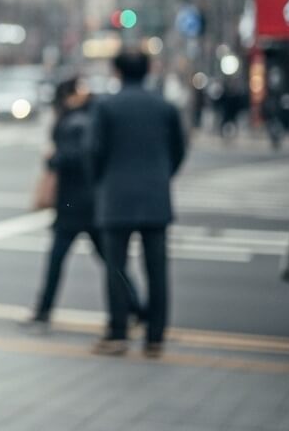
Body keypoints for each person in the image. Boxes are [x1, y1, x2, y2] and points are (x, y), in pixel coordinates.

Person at [90, 49, 187, 357]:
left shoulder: (106, 106)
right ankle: (155, 337)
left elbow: (93, 151)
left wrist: (102, 182)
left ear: (117, 71)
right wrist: (162, 176)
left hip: (116, 197)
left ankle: (118, 332)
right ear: (148, 70)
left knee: (116, 268)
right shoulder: (164, 106)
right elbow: (179, 149)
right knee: (157, 270)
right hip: (156, 198)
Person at [23, 78, 140, 330]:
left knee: (58, 260)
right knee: (111, 262)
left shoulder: (72, 121)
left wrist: (54, 159)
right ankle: (136, 307)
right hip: (91, 203)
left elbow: (74, 157)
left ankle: (44, 310)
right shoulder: (91, 116)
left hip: (73, 205)